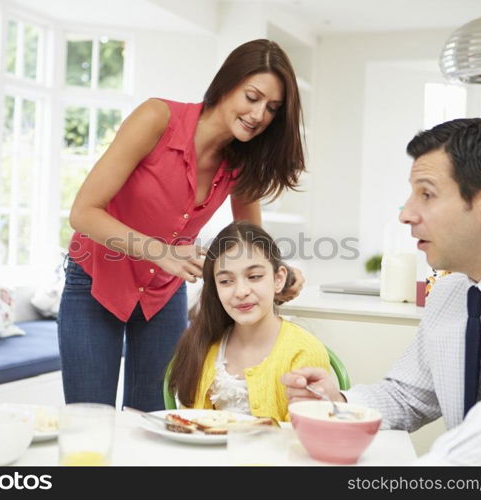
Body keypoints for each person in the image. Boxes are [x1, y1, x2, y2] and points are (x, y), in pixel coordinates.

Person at [283, 118, 481, 465]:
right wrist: (337, 402)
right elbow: (407, 396)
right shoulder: (450, 294)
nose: (407, 214)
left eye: (426, 194)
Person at [61, 39, 307, 411]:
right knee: (89, 419)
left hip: (162, 293)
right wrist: (159, 251)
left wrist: (279, 273)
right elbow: (83, 212)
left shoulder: (244, 161)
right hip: (95, 281)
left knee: (153, 418)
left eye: (272, 108)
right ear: (227, 85)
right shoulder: (157, 118)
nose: (259, 115)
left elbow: (250, 241)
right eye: (252, 97)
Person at [169, 221, 330, 422]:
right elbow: (190, 424)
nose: (241, 292)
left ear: (279, 279)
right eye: (226, 281)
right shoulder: (203, 344)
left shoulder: (304, 352)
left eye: (254, 276)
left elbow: (303, 433)